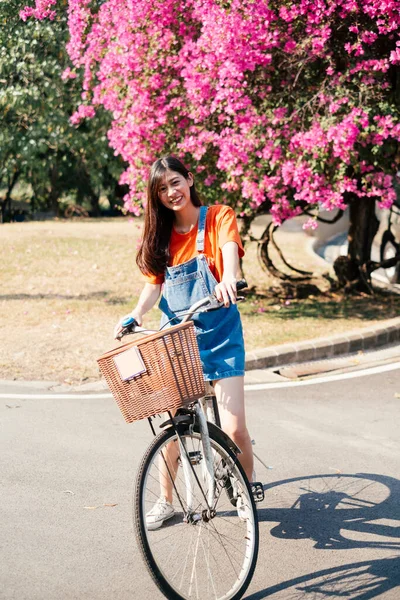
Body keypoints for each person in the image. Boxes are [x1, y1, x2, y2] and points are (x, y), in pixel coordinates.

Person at [114, 155, 255, 529]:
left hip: (222, 337)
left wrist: (230, 280)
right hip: (178, 342)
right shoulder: (160, 235)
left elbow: (229, 256)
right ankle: (165, 499)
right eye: (162, 189)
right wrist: (137, 313)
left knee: (235, 427)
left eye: (175, 182)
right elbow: (154, 284)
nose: (171, 192)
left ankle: (246, 489)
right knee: (174, 425)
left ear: (190, 180)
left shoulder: (219, 216)